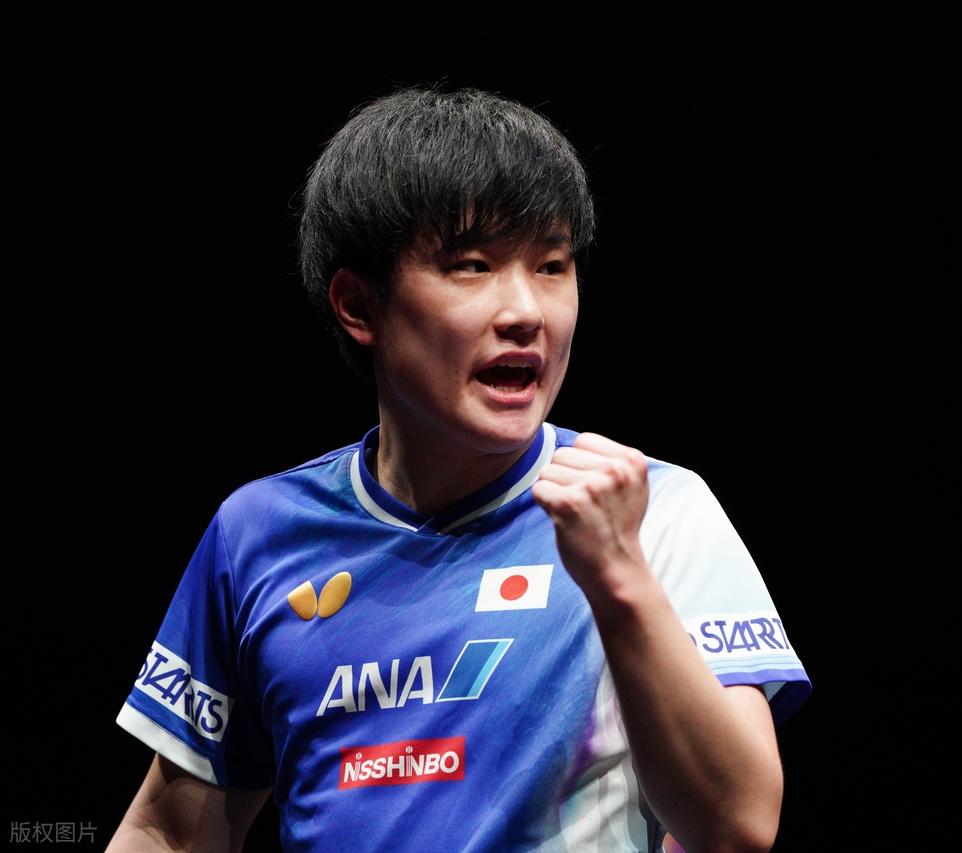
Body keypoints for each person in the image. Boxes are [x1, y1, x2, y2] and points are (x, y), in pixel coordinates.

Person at [108, 86, 811, 853]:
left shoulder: (655, 512)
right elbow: (167, 831)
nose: (527, 311)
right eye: (472, 266)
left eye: (552, 265)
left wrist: (619, 580)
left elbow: (736, 824)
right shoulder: (259, 532)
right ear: (359, 305)